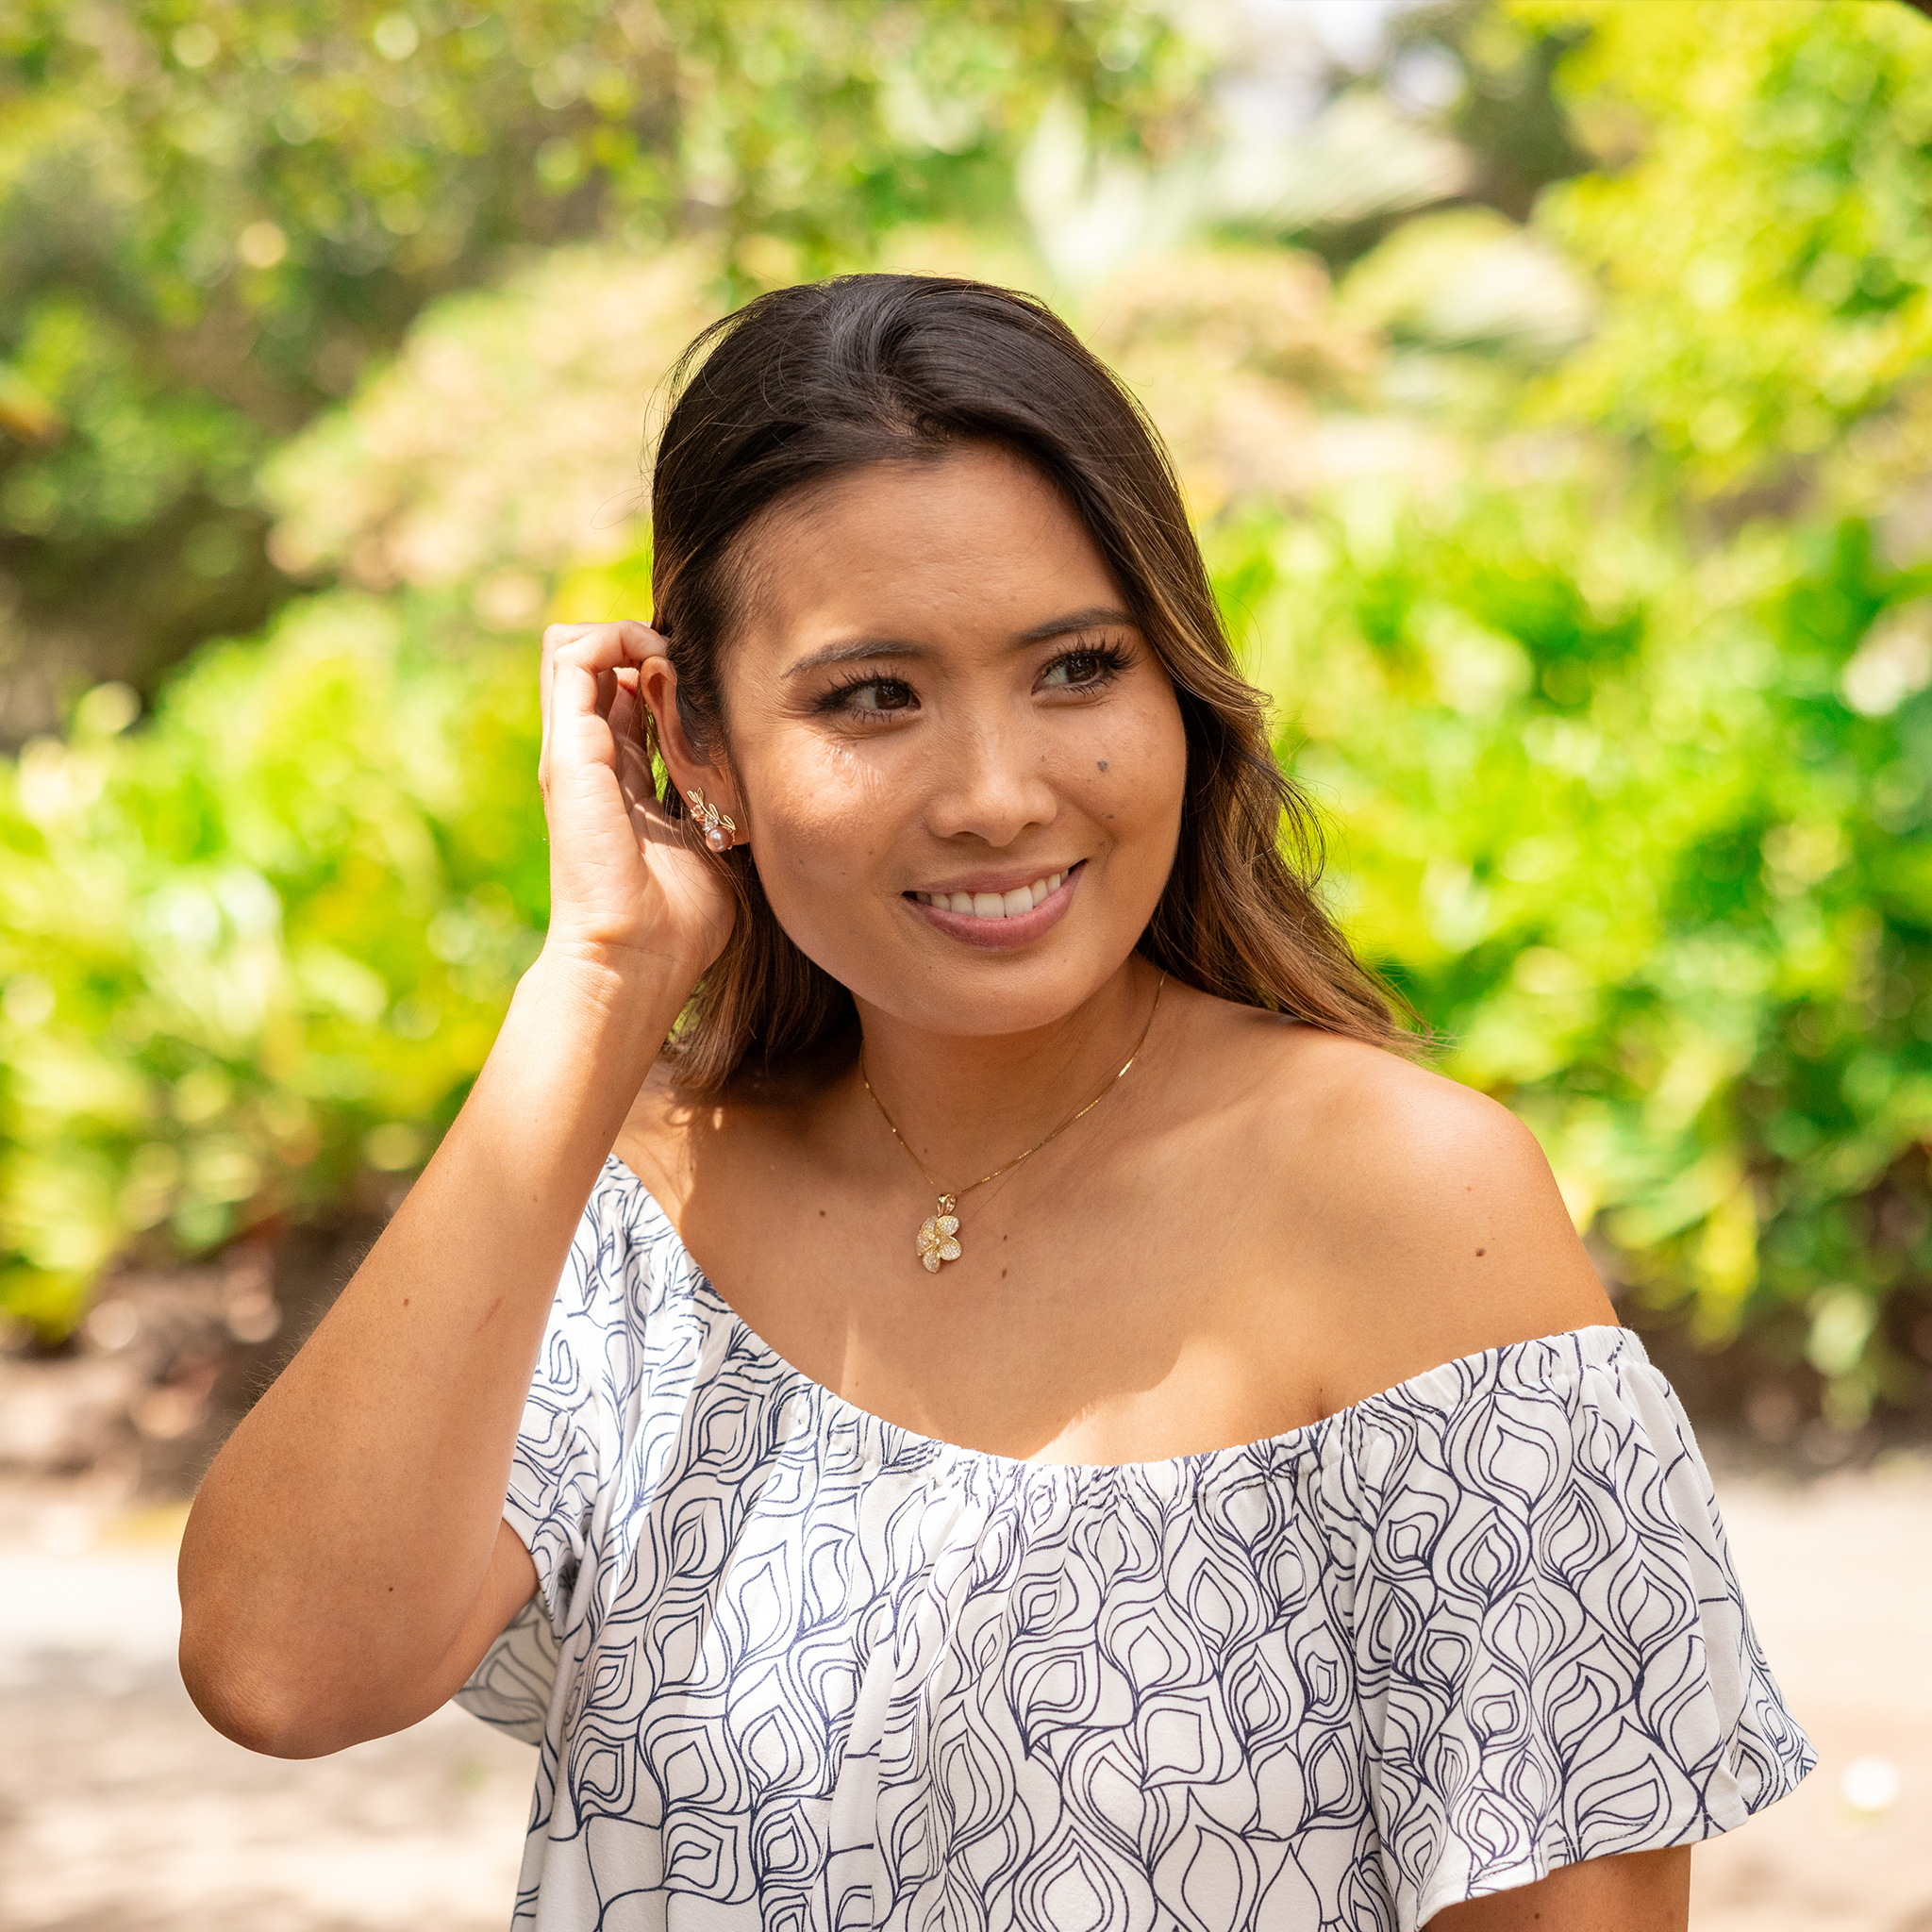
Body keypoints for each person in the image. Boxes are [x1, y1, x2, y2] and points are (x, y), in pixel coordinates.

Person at [178, 275, 1812, 1932]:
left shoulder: (1404, 1198)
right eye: (871, 695)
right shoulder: (645, 1203)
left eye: (1077, 668)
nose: (995, 795)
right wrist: (598, 985)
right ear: (698, 747)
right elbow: (285, 1672)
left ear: (1177, 685)